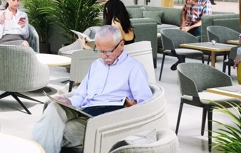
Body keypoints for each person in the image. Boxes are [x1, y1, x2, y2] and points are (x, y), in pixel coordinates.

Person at [32, 25, 152, 153]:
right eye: (99, 51)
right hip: (84, 109)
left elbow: (146, 104)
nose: (103, 56)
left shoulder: (134, 68)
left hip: (102, 121)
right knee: (53, 107)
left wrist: (132, 107)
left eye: (108, 51)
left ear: (121, 45)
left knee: (55, 131)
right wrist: (68, 101)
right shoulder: (96, 65)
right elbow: (81, 94)